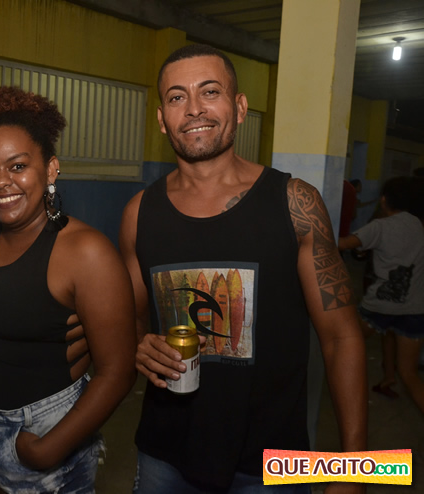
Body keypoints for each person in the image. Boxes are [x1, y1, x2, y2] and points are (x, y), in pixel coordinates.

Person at [118, 44, 367, 493]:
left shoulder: (296, 203)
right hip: (165, 456)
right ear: (161, 119)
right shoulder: (139, 214)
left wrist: (356, 466)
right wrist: (141, 345)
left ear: (239, 107)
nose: (194, 108)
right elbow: (134, 320)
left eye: (210, 91)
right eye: (177, 97)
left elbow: (341, 338)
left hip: (274, 464)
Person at [0, 86, 136, 494]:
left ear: (51, 169)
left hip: (42, 429)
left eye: (17, 166)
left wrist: (50, 448)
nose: (1, 183)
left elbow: (118, 370)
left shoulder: (86, 252)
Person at [339, 177, 424, 413]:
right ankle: (388, 378)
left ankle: (346, 396)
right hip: (415, 310)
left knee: (343, 345)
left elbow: (343, 244)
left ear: (384, 200)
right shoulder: (419, 225)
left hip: (379, 308)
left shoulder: (380, 226)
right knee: (410, 374)